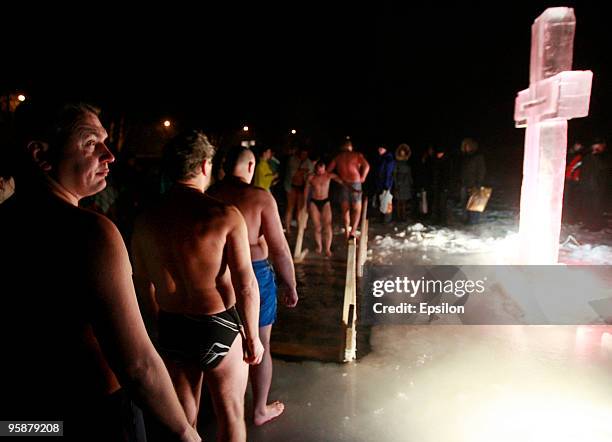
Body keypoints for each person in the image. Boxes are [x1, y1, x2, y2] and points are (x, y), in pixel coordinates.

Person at [0, 102, 200, 441]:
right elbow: (137, 365)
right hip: (92, 419)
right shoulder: (90, 233)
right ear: (40, 154)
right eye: (91, 143)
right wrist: (185, 432)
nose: (109, 155)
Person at [131, 132, 264, 442]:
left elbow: (142, 284)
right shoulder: (224, 216)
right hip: (218, 324)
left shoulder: (146, 220)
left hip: (172, 325)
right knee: (230, 415)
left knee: (184, 421)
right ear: (205, 166)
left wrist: (158, 327)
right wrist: (253, 336)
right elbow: (246, 284)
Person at [208, 146, 299, 426]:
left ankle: (219, 407)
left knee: (225, 343)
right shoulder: (260, 198)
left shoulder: (209, 194)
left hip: (217, 275)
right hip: (256, 274)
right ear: (250, 168)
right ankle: (259, 409)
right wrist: (290, 284)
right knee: (261, 343)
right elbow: (280, 248)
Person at [328, 139, 370, 238]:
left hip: (344, 183)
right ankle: (353, 230)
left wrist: (338, 179)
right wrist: (363, 177)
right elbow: (367, 166)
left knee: (345, 208)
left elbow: (328, 171)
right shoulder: (356, 155)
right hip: (355, 182)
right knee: (357, 208)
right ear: (350, 147)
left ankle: (347, 230)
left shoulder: (338, 157)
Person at [304, 160, 344, 256]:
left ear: (324, 169)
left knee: (327, 226)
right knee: (317, 226)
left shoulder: (328, 175)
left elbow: (340, 180)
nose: (320, 173)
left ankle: (327, 249)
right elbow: (306, 191)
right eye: (319, 171)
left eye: (322, 170)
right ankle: (319, 247)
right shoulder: (311, 177)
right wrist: (305, 204)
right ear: (316, 169)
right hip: (314, 201)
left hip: (325, 201)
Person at [578, 138, 610, 231]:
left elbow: (603, 168)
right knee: (587, 204)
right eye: (598, 145)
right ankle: (588, 223)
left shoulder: (602, 157)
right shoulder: (588, 155)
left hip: (596, 186)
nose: (600, 147)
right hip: (587, 184)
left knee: (596, 206)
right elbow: (584, 170)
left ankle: (595, 225)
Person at [284, 147, 313, 233]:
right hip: (292, 186)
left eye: (306, 154)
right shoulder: (292, 160)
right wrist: (303, 171)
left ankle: (299, 228)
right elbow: (294, 174)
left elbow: (310, 174)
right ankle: (288, 229)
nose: (304, 156)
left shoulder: (308, 162)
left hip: (302, 187)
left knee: (300, 208)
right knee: (290, 207)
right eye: (302, 154)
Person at [459, 137, 486, 224]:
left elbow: (481, 171)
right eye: (465, 146)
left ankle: (473, 221)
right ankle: (465, 220)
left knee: (474, 204)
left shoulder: (478, 157)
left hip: (474, 184)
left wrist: (478, 184)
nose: (467, 147)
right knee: (464, 203)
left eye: (468, 145)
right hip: (464, 184)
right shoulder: (463, 157)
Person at [563, 141, 585, 224]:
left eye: (579, 145)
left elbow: (576, 168)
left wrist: (576, 177)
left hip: (573, 181)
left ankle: (571, 219)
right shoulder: (569, 153)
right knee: (567, 199)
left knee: (572, 200)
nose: (577, 147)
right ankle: (566, 218)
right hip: (567, 179)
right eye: (576, 145)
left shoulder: (580, 156)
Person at [373, 145, 396, 223]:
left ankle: (387, 219)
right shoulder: (381, 158)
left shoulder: (389, 159)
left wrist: (387, 185)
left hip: (386, 184)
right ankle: (382, 218)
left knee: (387, 201)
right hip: (380, 183)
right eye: (379, 148)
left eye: (381, 148)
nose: (379, 150)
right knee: (381, 201)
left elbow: (389, 173)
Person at [393, 144, 413, 222]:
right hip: (399, 183)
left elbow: (409, 173)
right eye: (401, 152)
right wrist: (396, 184)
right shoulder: (397, 163)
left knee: (404, 201)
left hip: (406, 184)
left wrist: (411, 182)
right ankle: (398, 216)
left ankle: (403, 216)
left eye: (403, 152)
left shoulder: (407, 162)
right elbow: (394, 174)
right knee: (398, 201)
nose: (402, 153)